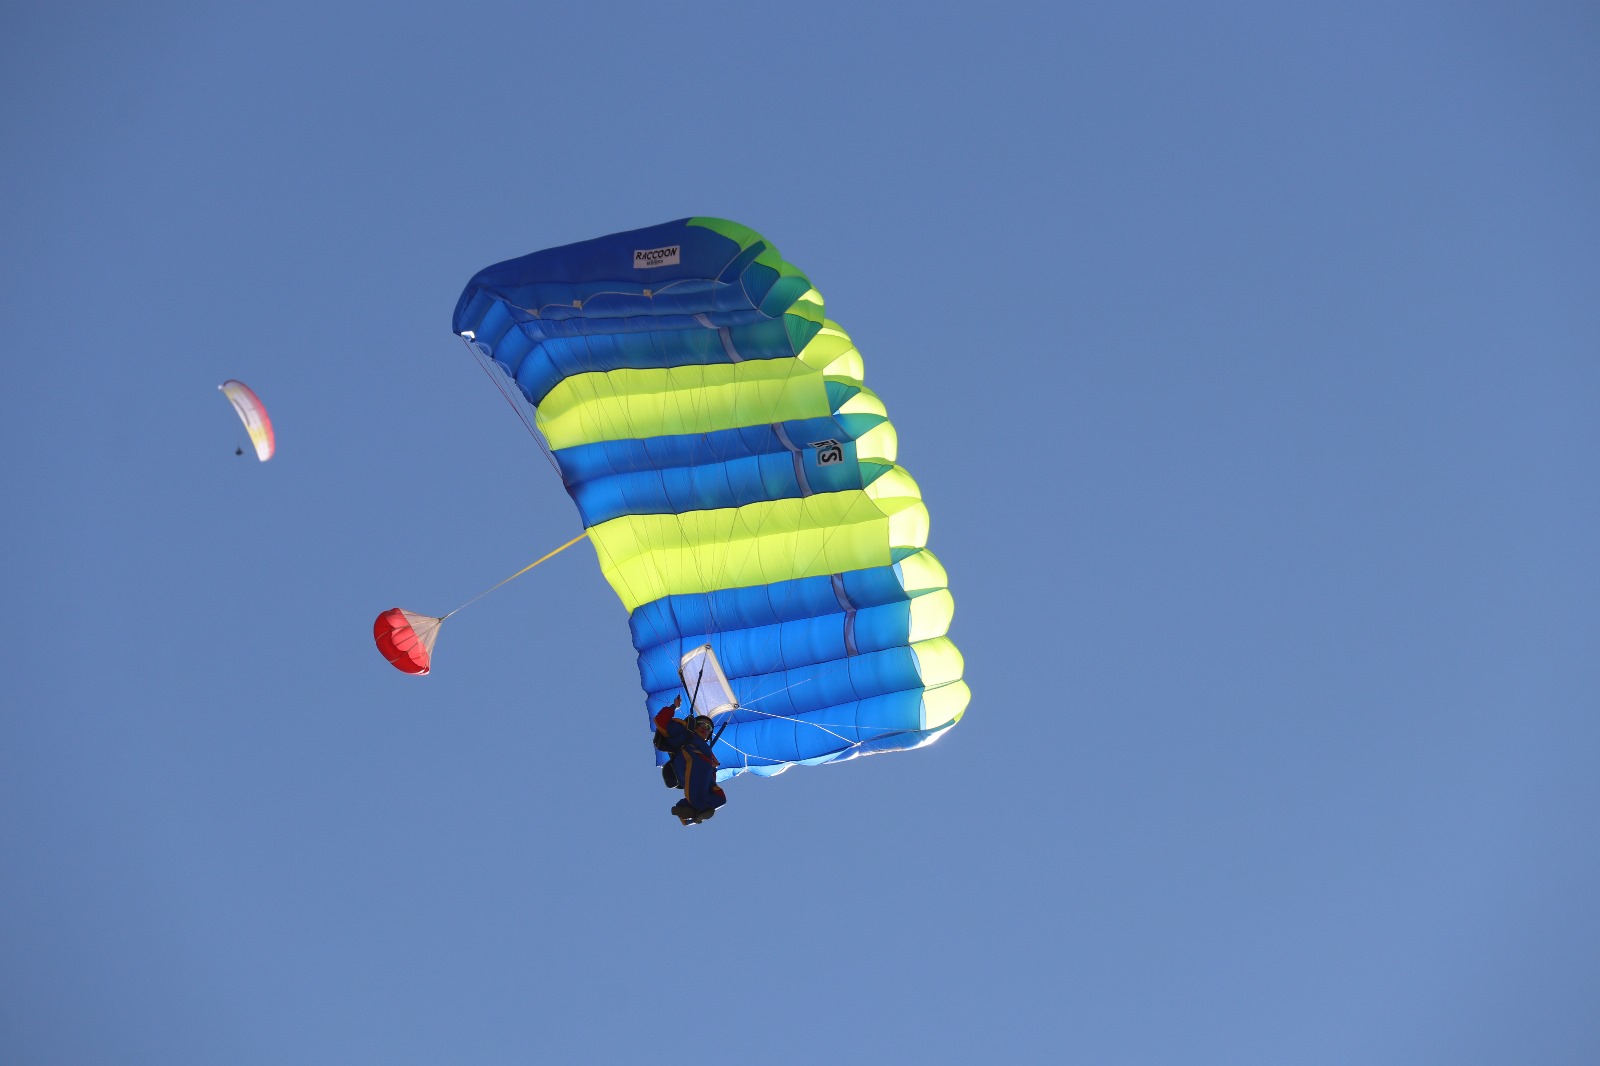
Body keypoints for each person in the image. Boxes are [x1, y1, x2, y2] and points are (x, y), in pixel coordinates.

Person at [653, 698, 726, 825]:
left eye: (708, 727)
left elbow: (709, 775)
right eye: (701, 724)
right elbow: (661, 721)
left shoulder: (709, 754)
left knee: (719, 797)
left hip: (701, 771)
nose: (704, 728)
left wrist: (712, 770)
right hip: (687, 761)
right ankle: (697, 806)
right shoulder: (686, 732)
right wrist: (673, 707)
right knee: (701, 764)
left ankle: (687, 811)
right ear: (694, 725)